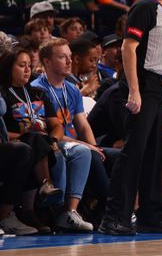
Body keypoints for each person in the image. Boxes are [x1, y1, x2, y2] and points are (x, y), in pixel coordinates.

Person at [99, 0, 162, 235]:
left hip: (155, 87)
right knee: (133, 153)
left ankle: (151, 215)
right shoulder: (144, 7)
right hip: (141, 88)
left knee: (153, 153)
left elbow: (157, 57)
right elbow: (129, 48)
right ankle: (114, 218)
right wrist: (134, 90)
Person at [30, 39, 97, 232]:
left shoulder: (72, 88)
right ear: (47, 61)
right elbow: (51, 132)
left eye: (69, 56)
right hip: (53, 142)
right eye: (62, 57)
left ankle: (76, 212)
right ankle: (71, 211)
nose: (69, 61)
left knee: (105, 155)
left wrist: (95, 146)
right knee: (83, 151)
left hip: (71, 142)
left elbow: (82, 124)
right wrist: (88, 146)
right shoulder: (38, 89)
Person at [0, 46, 64, 233]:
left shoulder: (38, 93)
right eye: (22, 65)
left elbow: (57, 125)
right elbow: (3, 133)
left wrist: (52, 140)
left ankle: (30, 210)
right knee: (32, 141)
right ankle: (44, 190)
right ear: (9, 67)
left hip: (42, 144)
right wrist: (25, 135)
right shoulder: (3, 94)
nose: (27, 70)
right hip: (15, 141)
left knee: (37, 144)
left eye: (29, 65)